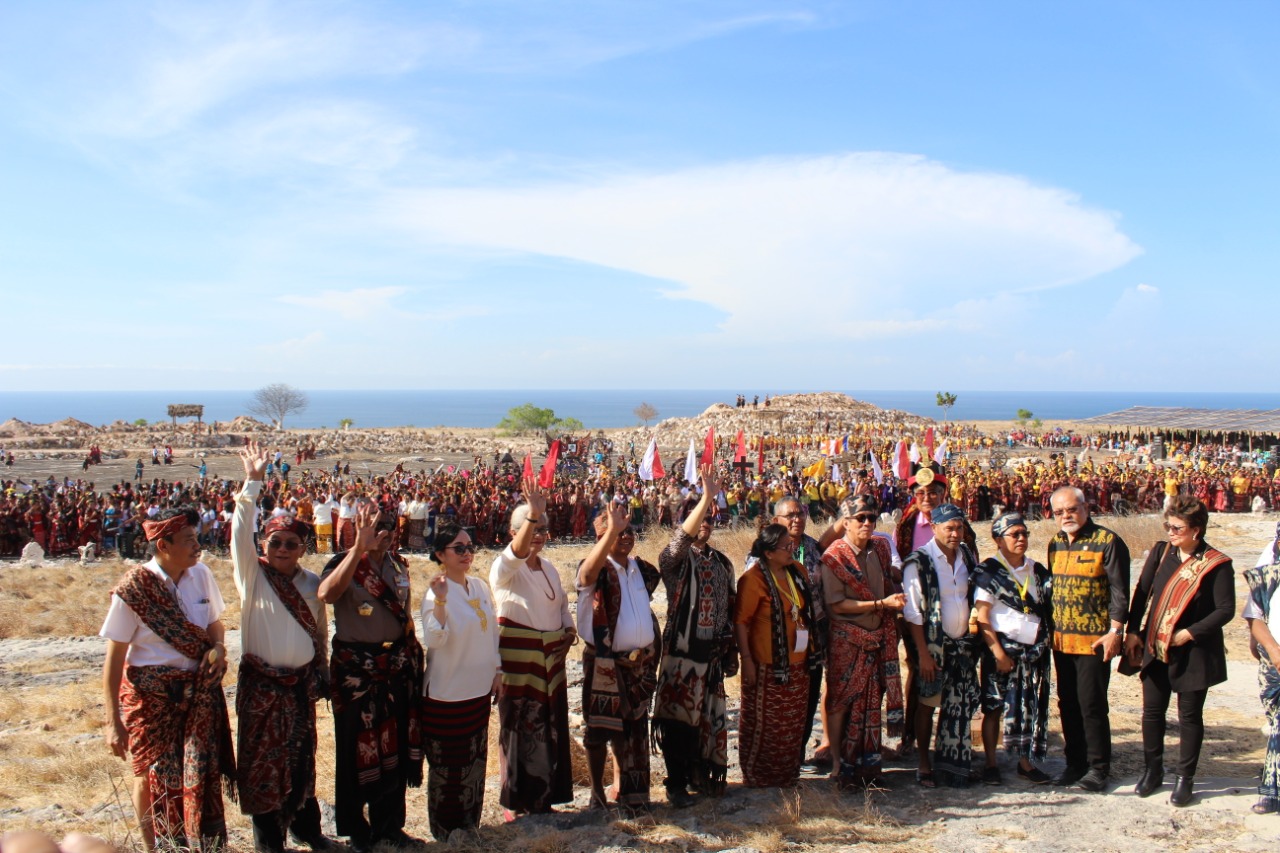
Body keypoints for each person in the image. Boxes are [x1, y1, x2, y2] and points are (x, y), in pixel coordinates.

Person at [99, 507, 233, 852]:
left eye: (196, 537)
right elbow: (115, 658)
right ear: (163, 544)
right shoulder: (135, 588)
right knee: (149, 774)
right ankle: (155, 846)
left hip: (196, 696)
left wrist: (218, 648)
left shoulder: (200, 574)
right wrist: (113, 720)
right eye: (189, 539)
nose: (197, 545)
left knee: (200, 772)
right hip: (150, 699)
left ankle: (200, 843)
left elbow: (214, 624)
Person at [230, 442, 332, 853]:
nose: (283, 550)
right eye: (276, 543)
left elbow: (320, 633)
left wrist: (322, 673)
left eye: (291, 543)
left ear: (303, 549)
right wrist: (253, 483)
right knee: (261, 767)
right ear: (265, 546)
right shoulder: (252, 576)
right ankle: (269, 843)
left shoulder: (311, 584)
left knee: (301, 760)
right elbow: (239, 532)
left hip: (300, 689)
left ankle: (308, 831)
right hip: (262, 691)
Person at [318, 503, 423, 852]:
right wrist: (357, 550)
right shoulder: (344, 564)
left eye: (390, 525)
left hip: (393, 667)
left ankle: (390, 825)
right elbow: (327, 595)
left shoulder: (398, 566)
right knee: (355, 747)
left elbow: (405, 614)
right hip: (357, 673)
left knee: (394, 745)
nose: (385, 531)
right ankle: (355, 827)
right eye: (376, 525)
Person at [1123, 495, 1234, 806]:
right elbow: (1142, 592)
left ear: (1196, 530)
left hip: (1193, 650)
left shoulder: (1216, 564)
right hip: (1157, 644)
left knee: (1189, 716)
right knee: (1152, 712)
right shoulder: (1162, 552)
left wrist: (1189, 633)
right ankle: (1153, 770)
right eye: (1167, 526)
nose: (1170, 532)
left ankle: (1185, 778)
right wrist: (1133, 631)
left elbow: (1225, 610)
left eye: (1177, 528)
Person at [490, 475, 576, 820]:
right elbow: (516, 556)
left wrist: (568, 631)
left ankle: (544, 798)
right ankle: (517, 801)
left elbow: (563, 604)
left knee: (549, 725)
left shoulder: (550, 567)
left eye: (543, 529)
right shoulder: (504, 568)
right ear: (515, 532)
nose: (539, 535)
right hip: (519, 659)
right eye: (532, 528)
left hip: (550, 661)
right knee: (518, 728)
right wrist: (532, 514)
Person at [653, 465, 738, 807]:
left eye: (709, 517)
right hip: (683, 655)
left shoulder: (722, 563)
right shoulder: (675, 560)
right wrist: (706, 496)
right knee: (678, 719)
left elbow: (729, 609)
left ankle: (699, 775)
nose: (704, 522)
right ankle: (675, 783)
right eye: (697, 516)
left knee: (707, 717)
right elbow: (679, 542)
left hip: (713, 656)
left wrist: (731, 651)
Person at [577, 501, 661, 813]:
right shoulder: (595, 570)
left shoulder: (641, 569)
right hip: (605, 665)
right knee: (599, 731)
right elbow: (586, 575)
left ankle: (631, 795)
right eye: (615, 532)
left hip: (637, 665)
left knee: (633, 732)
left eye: (628, 531)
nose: (625, 537)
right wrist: (610, 530)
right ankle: (597, 792)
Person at [1047, 486, 1131, 792]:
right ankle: (1075, 763)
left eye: (1072, 510)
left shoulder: (1107, 542)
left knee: (1091, 705)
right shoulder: (1055, 543)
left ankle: (1098, 767)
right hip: (1061, 641)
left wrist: (1116, 632)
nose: (1066, 517)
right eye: (1059, 512)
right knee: (1067, 703)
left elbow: (1120, 592)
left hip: (1094, 640)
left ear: (1086, 507)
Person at [420, 521, 500, 840]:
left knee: (474, 764)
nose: (467, 554)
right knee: (447, 769)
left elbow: (492, 632)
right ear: (441, 554)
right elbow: (435, 639)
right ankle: (445, 832)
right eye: (459, 548)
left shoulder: (479, 586)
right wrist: (439, 601)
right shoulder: (436, 590)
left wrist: (497, 671)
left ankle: (470, 826)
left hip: (477, 693)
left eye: (470, 547)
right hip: (446, 696)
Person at [819, 495, 905, 788]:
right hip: (848, 639)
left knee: (871, 701)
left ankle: (868, 763)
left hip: (877, 636)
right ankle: (838, 764)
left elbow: (889, 578)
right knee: (842, 700)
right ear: (846, 522)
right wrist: (881, 605)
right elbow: (837, 605)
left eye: (872, 517)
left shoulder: (879, 548)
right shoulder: (834, 556)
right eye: (861, 518)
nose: (868, 523)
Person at [973, 512, 1053, 785]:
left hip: (1031, 654)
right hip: (1000, 653)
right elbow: (983, 618)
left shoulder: (1036, 569)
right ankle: (991, 764)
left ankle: (1025, 763)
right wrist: (999, 654)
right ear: (998, 539)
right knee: (993, 706)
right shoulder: (989, 572)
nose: (1021, 539)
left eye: (1024, 534)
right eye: (1014, 534)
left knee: (1027, 706)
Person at [902, 503, 979, 788]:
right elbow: (913, 613)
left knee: (958, 706)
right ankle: (924, 762)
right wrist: (923, 654)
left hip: (962, 648)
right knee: (927, 705)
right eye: (949, 528)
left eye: (959, 527)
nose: (955, 533)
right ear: (934, 528)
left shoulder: (966, 557)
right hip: (933, 649)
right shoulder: (919, 562)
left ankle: (953, 764)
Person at [734, 523, 816, 788]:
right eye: (786, 547)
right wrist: (746, 659)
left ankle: (787, 774)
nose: (792, 550)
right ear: (769, 553)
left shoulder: (797, 571)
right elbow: (741, 622)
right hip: (766, 665)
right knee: (765, 725)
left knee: (792, 724)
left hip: (798, 663)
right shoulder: (753, 579)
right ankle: (758, 775)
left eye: (792, 545)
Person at [1244, 522, 1280, 815]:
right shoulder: (1270, 565)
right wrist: (1271, 648)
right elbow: (1255, 614)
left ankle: (1271, 790)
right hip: (1274, 658)